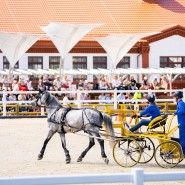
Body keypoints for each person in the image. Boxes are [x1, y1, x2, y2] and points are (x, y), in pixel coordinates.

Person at [173, 91, 185, 156]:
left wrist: (175, 113)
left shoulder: (180, 103)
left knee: (182, 138)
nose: (174, 98)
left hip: (182, 123)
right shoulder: (182, 103)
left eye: (175, 97)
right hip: (183, 122)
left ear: (177, 97)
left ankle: (183, 152)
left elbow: (182, 111)